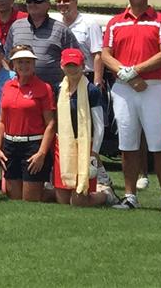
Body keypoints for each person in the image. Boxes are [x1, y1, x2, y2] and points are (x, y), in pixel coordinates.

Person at [102, 0, 161, 213]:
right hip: (124, 88)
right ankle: (130, 196)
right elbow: (106, 54)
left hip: (153, 87)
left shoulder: (160, 20)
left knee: (159, 145)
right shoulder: (115, 22)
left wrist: (135, 71)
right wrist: (126, 74)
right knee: (128, 144)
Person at [54, 48, 115, 207]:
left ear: (83, 66)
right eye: (68, 65)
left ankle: (106, 195)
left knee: (79, 201)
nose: (72, 69)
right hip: (63, 145)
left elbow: (99, 124)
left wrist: (94, 151)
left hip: (84, 144)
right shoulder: (59, 89)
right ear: (62, 66)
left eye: (75, 65)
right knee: (62, 200)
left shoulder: (91, 90)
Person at [0, 47, 55, 202]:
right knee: (14, 197)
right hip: (10, 145)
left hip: (33, 146)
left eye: (28, 62)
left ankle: (59, 194)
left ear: (34, 65)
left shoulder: (43, 88)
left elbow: (51, 124)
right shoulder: (8, 86)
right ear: (13, 65)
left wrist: (41, 153)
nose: (24, 66)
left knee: (29, 199)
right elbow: (1, 120)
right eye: (20, 62)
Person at [5, 0, 77, 88]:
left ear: (48, 5)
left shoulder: (61, 29)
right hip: (21, 91)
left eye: (37, 1)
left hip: (53, 91)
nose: (32, 4)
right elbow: (7, 58)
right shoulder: (16, 26)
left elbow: (75, 61)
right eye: (29, 1)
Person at [56, 0, 103, 84]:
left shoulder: (90, 24)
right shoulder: (56, 24)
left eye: (66, 0)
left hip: (86, 77)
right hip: (63, 79)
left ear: (76, 2)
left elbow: (98, 55)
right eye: (58, 1)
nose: (61, 4)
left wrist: (97, 82)